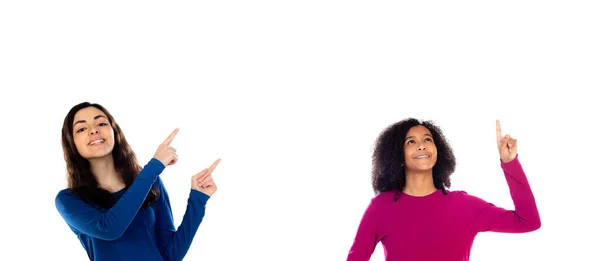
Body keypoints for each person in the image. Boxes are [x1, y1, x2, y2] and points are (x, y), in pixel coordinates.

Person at [346, 118, 541, 261]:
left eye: (427, 140)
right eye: (411, 142)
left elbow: (528, 221)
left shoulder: (464, 206)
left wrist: (510, 163)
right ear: (397, 155)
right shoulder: (381, 207)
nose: (421, 146)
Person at [54, 101, 221, 261]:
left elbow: (170, 255)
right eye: (82, 128)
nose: (94, 130)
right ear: (72, 144)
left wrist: (198, 200)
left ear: (115, 132)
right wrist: (154, 166)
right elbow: (109, 229)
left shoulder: (151, 183)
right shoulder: (69, 200)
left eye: (102, 124)